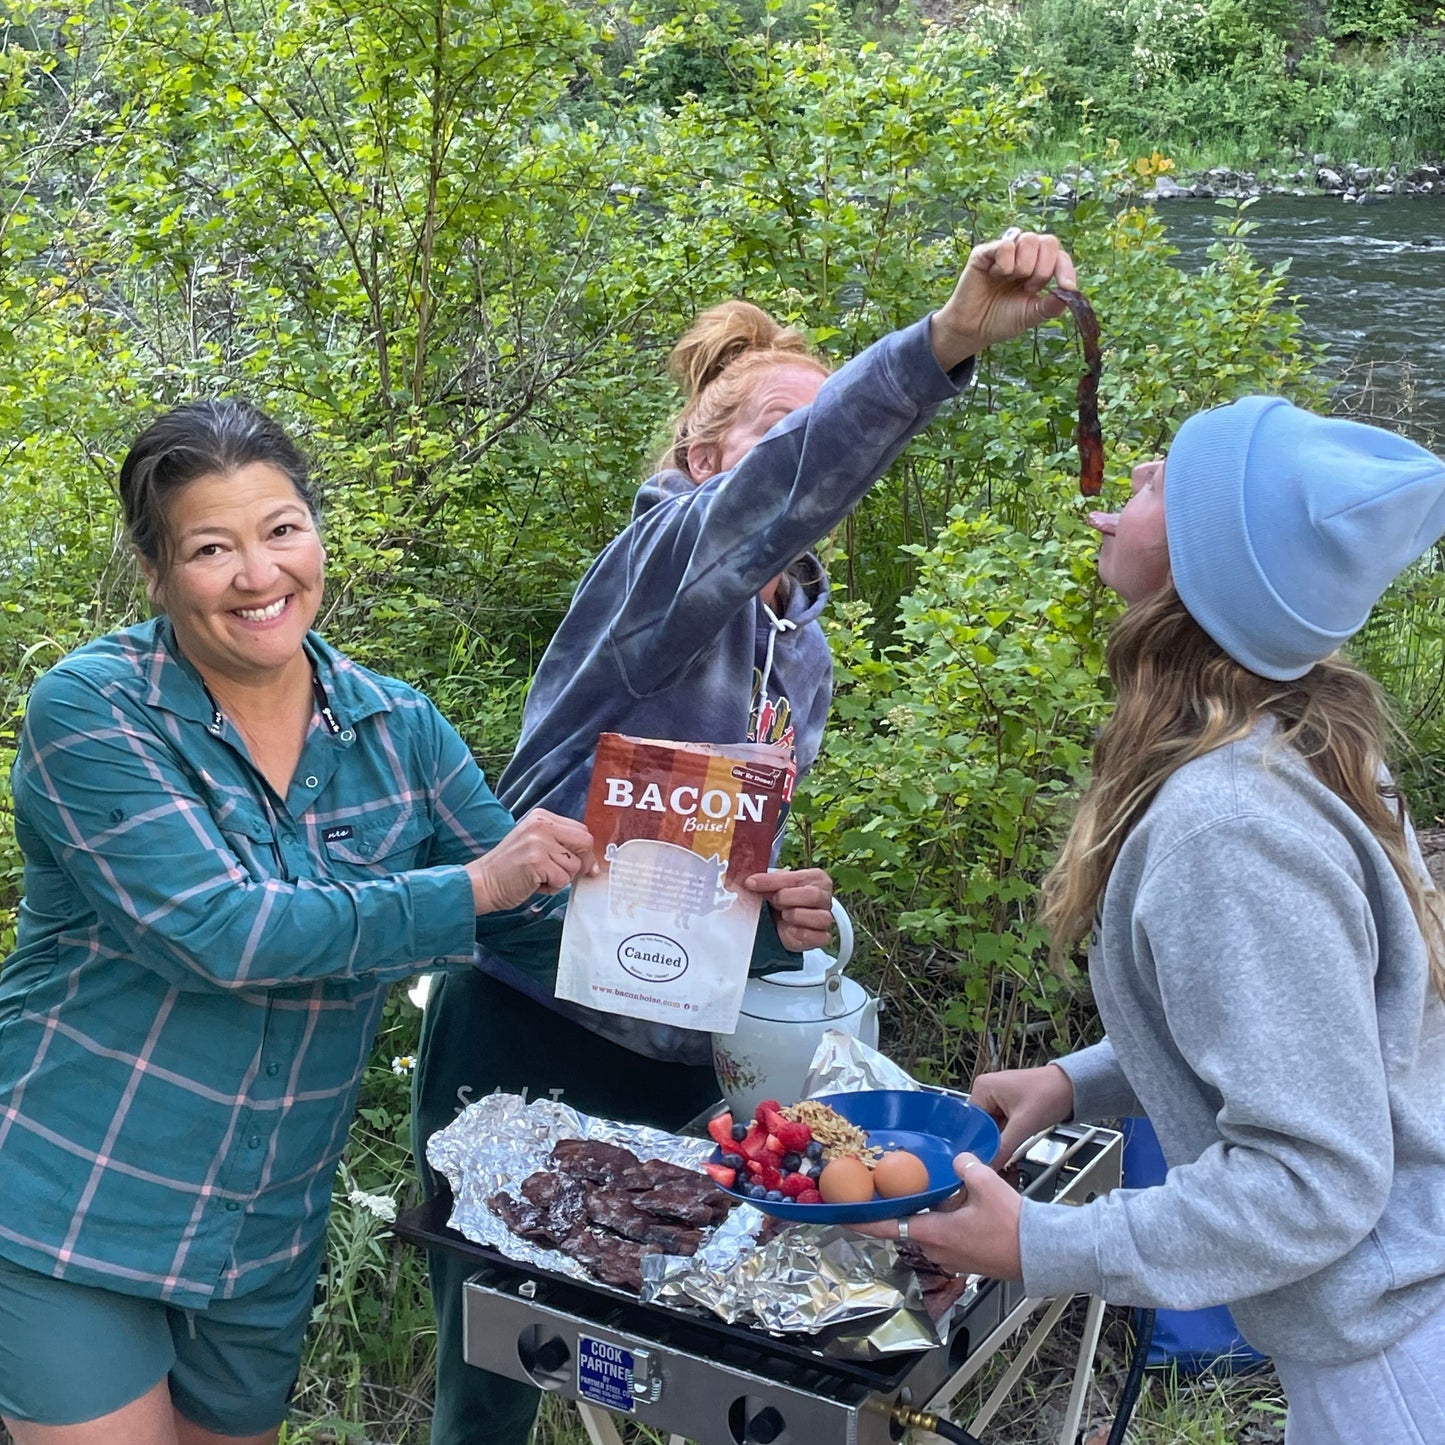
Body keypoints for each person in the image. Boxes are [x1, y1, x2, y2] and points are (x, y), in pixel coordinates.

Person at [412, 227, 1081, 1445]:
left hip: (678, 1049)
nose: (810, 456)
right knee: (492, 1380)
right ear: (701, 456)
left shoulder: (803, 656)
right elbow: (772, 503)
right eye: (776, 432)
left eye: (819, 427)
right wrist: (943, 344)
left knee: (681, 1360)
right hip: (523, 1022)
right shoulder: (656, 566)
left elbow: (726, 859)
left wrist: (799, 921)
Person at [0, 400, 595, 1444]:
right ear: (155, 572)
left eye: (281, 530)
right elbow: (224, 932)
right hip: (69, 1202)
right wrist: (474, 887)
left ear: (318, 536)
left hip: (260, 1229)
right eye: (210, 547)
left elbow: (532, 919)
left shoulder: (395, 725)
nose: (258, 573)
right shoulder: (92, 711)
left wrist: (728, 918)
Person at [858, 397, 1445, 1443]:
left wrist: (1038, 1241)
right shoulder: (1304, 740)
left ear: (1201, 566)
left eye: (1160, 476)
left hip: (1392, 1368)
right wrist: (1078, 1078)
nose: (1130, 471)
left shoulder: (1225, 823)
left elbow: (1310, 1181)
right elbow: (1316, 1029)